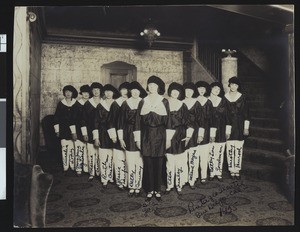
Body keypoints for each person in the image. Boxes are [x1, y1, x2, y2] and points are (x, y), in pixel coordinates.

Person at [134, 76, 175, 201]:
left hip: (160, 135)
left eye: (154, 85)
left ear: (158, 87)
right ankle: (149, 190)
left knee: (159, 163)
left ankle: (157, 190)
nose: (151, 87)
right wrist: (137, 139)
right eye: (149, 85)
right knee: (148, 163)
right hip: (146, 135)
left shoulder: (164, 101)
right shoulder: (143, 101)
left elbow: (168, 121)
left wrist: (168, 139)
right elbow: (137, 122)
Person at [118, 81, 147, 197]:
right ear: (130, 91)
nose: (135, 92)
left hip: (142, 133)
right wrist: (120, 138)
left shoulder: (144, 102)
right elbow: (120, 122)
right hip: (128, 133)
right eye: (133, 90)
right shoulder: (126, 103)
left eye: (137, 90)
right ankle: (131, 185)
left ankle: (138, 185)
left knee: (140, 160)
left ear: (140, 91)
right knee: (130, 160)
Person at [165, 82, 193, 195]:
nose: (175, 93)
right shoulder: (164, 104)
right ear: (170, 92)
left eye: (177, 91)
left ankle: (179, 184)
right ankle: (169, 185)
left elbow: (188, 122)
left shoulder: (183, 105)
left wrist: (188, 136)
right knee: (169, 161)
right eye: (173, 91)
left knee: (180, 161)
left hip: (180, 134)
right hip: (167, 136)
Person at [94, 84, 120, 188]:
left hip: (115, 133)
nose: (108, 93)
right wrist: (96, 137)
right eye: (106, 92)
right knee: (104, 156)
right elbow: (95, 122)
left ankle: (111, 176)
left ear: (113, 93)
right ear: (104, 93)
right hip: (103, 133)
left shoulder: (117, 104)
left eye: (110, 91)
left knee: (114, 157)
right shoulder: (100, 105)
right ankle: (104, 178)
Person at [224, 76, 250, 180]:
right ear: (229, 85)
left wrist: (246, 128)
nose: (233, 86)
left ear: (238, 86)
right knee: (230, 147)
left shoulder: (242, 97)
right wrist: (226, 129)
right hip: (228, 125)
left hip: (239, 125)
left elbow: (247, 113)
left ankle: (237, 169)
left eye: (236, 85)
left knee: (238, 148)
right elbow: (224, 115)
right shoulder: (225, 97)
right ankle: (231, 169)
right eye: (232, 84)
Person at [108, 82, 130, 191]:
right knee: (119, 158)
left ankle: (128, 181)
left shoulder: (133, 102)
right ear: (120, 91)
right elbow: (111, 121)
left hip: (130, 134)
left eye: (127, 89)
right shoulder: (116, 103)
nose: (125, 92)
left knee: (129, 159)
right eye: (123, 90)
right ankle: (120, 181)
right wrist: (113, 136)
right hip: (118, 133)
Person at [208, 82, 230, 181]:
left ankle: (219, 172)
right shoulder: (206, 101)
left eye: (218, 89)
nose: (217, 90)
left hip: (221, 128)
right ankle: (212, 172)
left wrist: (227, 130)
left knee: (220, 151)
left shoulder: (223, 101)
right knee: (211, 151)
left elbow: (227, 117)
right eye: (215, 88)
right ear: (211, 89)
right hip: (209, 128)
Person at [53, 85, 78, 175]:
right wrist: (57, 130)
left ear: (72, 93)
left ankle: (72, 165)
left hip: (74, 130)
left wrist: (75, 131)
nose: (68, 93)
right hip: (63, 129)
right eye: (66, 91)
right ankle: (65, 166)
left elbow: (78, 118)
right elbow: (56, 117)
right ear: (64, 93)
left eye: (70, 92)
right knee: (64, 147)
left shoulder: (76, 103)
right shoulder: (61, 104)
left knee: (72, 148)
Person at [81, 82, 103, 181]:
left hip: (102, 132)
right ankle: (92, 172)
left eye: (97, 89)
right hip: (90, 130)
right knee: (91, 152)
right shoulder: (88, 103)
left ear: (100, 91)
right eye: (94, 90)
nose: (96, 91)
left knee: (101, 153)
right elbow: (83, 120)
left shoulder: (104, 102)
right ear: (91, 91)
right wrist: (84, 133)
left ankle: (100, 172)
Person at [183, 82, 203, 189]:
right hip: (183, 132)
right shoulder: (181, 102)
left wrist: (200, 135)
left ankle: (192, 178)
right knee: (184, 157)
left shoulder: (197, 103)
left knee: (193, 156)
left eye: (190, 91)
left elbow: (201, 121)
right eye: (186, 91)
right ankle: (184, 178)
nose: (188, 93)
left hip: (194, 132)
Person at [195, 81, 212, 184]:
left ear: (206, 90)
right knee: (195, 154)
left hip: (205, 130)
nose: (201, 90)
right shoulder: (193, 101)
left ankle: (204, 175)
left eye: (203, 89)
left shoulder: (208, 102)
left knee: (204, 154)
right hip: (194, 130)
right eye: (199, 88)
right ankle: (195, 175)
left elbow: (210, 118)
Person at [74, 84, 91, 176]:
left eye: (87, 93)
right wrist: (74, 132)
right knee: (79, 149)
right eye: (84, 93)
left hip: (89, 129)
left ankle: (87, 167)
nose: (86, 94)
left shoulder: (92, 103)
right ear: (81, 93)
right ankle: (79, 168)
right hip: (79, 128)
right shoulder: (77, 104)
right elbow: (73, 118)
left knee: (89, 149)